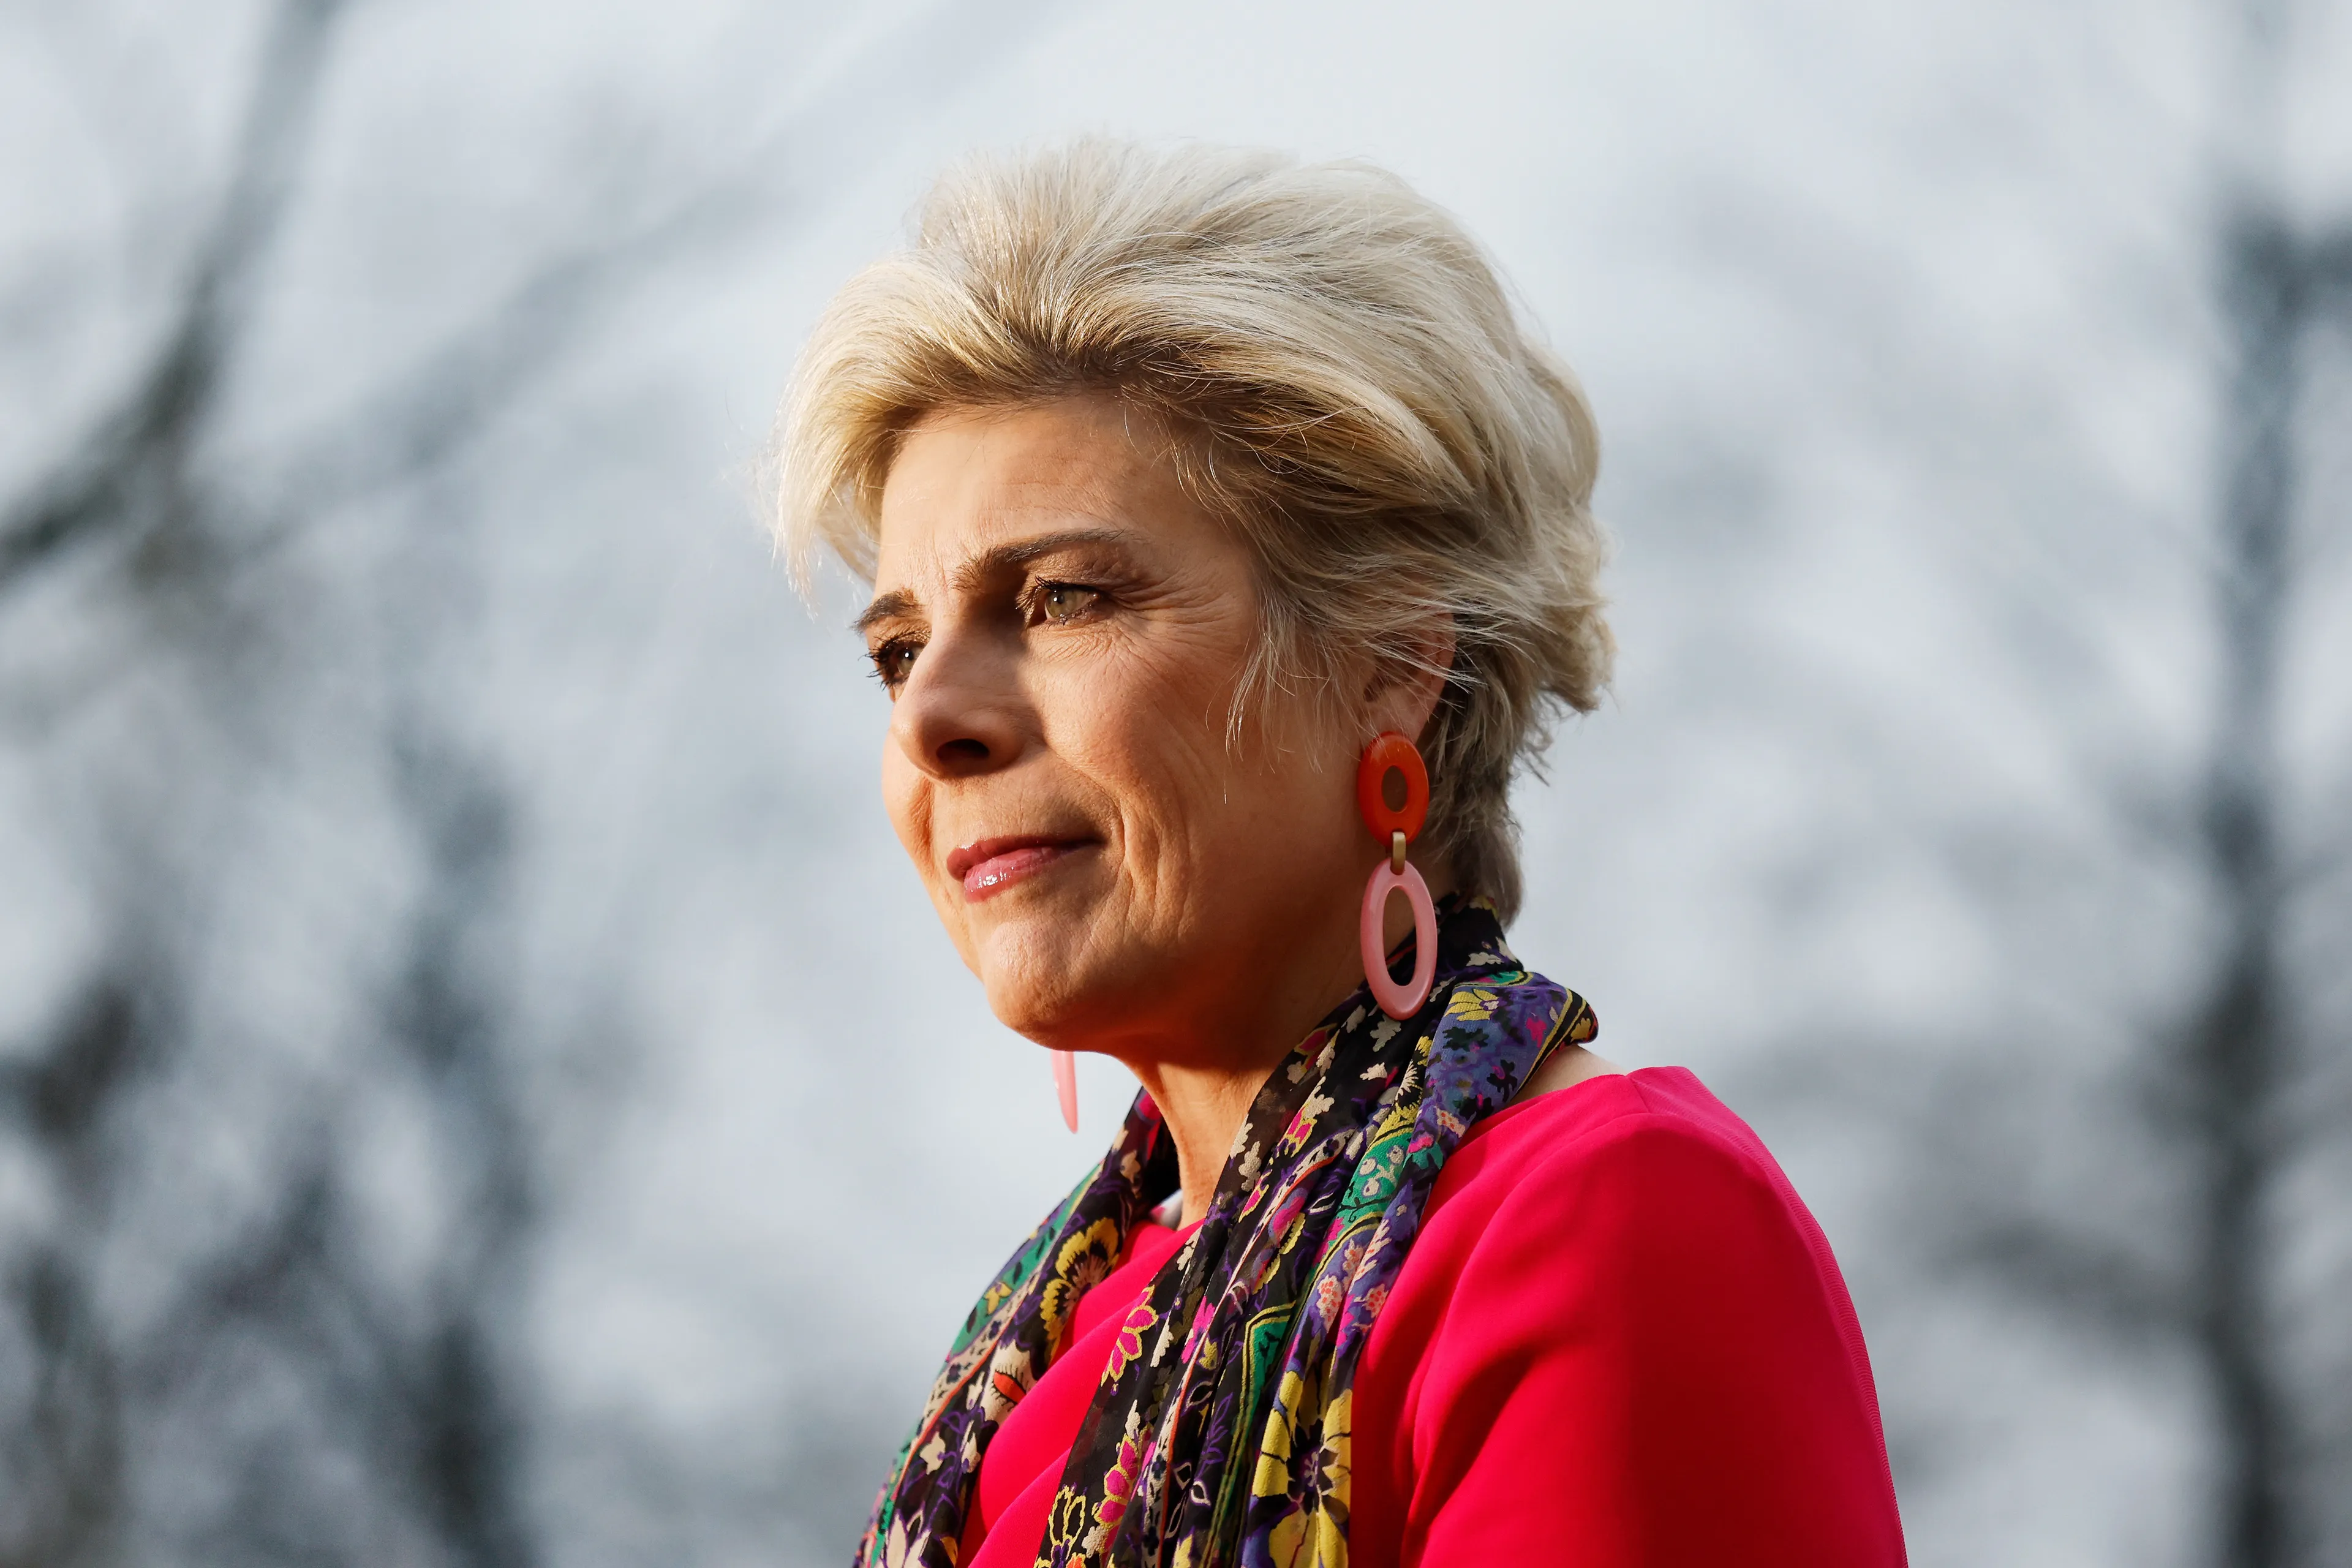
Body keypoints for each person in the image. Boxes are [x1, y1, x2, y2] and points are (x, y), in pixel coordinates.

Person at [770, 138, 1907, 1568]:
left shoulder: (1602, 1220)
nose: (931, 717)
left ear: (1391, 663)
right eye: (895, 651)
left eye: (1062, 598)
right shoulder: (1057, 1331)